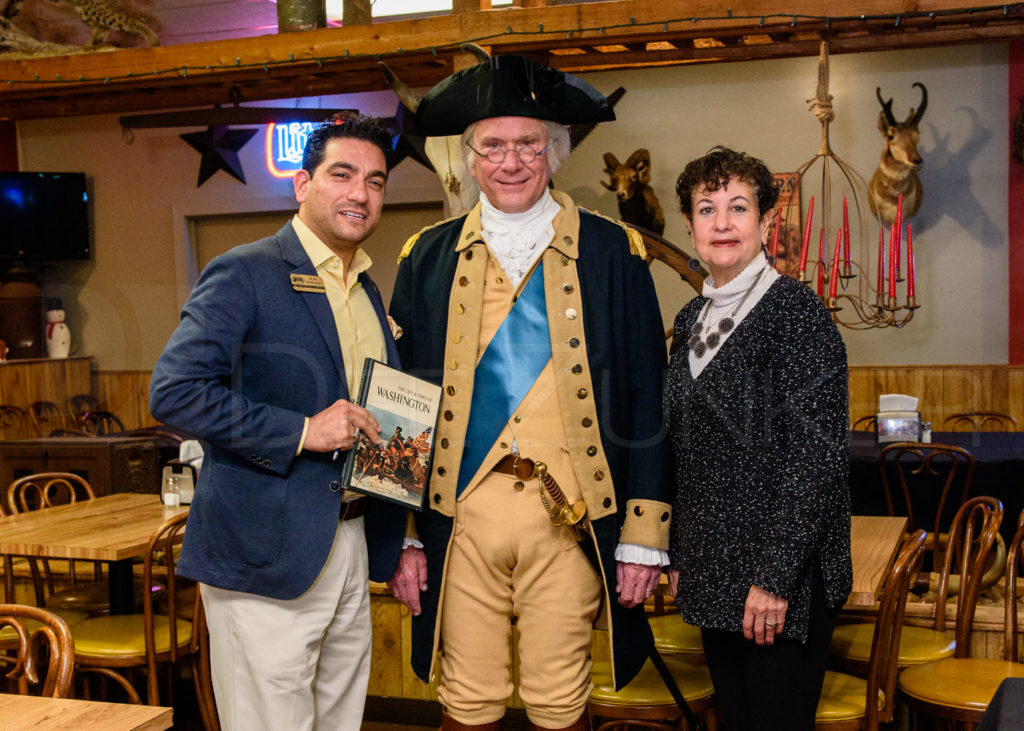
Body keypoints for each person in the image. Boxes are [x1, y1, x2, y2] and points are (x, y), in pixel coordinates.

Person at [386, 55, 673, 731]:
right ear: (469, 158)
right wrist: (399, 534)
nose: (510, 161)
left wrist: (644, 533)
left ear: (555, 151)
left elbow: (647, 394)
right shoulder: (425, 255)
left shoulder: (614, 252)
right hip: (458, 522)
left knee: (559, 700)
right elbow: (399, 401)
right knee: (467, 699)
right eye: (493, 145)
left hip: (570, 518)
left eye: (527, 144)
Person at [149, 114, 405, 731]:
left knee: (340, 719)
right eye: (341, 175)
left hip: (349, 536)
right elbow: (174, 392)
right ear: (302, 184)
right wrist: (301, 430)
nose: (360, 193)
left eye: (375, 181)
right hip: (262, 546)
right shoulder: (247, 270)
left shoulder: (366, 285)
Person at [665, 146, 852, 730]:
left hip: (779, 580)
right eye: (706, 208)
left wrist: (774, 578)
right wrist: (678, 553)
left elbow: (815, 460)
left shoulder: (797, 312)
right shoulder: (689, 319)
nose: (722, 223)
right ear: (690, 225)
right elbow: (684, 448)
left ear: (766, 223)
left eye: (738, 207)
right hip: (716, 570)